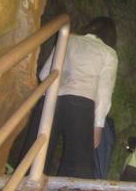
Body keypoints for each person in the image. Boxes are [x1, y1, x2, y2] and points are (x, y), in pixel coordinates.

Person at [20, 16, 118, 179]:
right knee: (78, 165)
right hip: (81, 104)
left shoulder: (67, 40)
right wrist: (98, 126)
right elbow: (104, 92)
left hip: (50, 100)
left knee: (35, 156)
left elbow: (45, 74)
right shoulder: (109, 53)